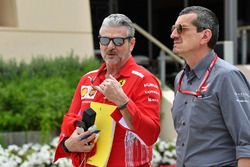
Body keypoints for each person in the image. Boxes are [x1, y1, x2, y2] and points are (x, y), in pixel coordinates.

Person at [54, 13, 162, 167]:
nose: (110, 46)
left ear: (132, 43)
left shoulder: (144, 79)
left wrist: (122, 101)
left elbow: (150, 135)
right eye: (105, 40)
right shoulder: (87, 79)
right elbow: (68, 126)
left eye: (118, 41)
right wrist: (68, 145)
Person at [170, 6, 250, 167]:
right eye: (173, 29)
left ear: (205, 36)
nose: (173, 35)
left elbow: (246, 143)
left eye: (181, 29)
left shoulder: (226, 76)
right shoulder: (180, 78)